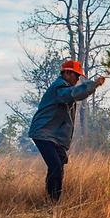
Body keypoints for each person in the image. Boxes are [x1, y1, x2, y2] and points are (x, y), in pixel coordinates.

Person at [28, 60, 105, 202]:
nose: (77, 79)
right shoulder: (59, 88)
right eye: (76, 76)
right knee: (56, 166)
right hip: (43, 133)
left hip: (52, 135)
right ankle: (52, 202)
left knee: (59, 165)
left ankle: (52, 201)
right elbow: (73, 93)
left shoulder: (64, 87)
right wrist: (93, 84)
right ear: (67, 73)